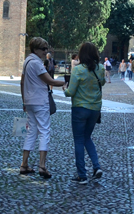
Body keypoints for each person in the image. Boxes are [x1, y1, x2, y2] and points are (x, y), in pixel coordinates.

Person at [20, 37, 67, 178]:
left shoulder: (26, 61)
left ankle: (24, 164)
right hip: (40, 101)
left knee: (31, 132)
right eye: (43, 49)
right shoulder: (37, 63)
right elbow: (49, 80)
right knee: (44, 131)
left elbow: (22, 82)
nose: (45, 52)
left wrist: (24, 101)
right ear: (36, 49)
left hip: (29, 101)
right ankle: (42, 166)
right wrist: (64, 82)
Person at [65, 42, 106, 184]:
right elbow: (103, 83)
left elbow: (70, 92)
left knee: (79, 140)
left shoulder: (78, 70)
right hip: (95, 109)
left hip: (80, 108)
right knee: (87, 137)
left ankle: (82, 175)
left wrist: (64, 88)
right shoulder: (100, 68)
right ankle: (96, 166)